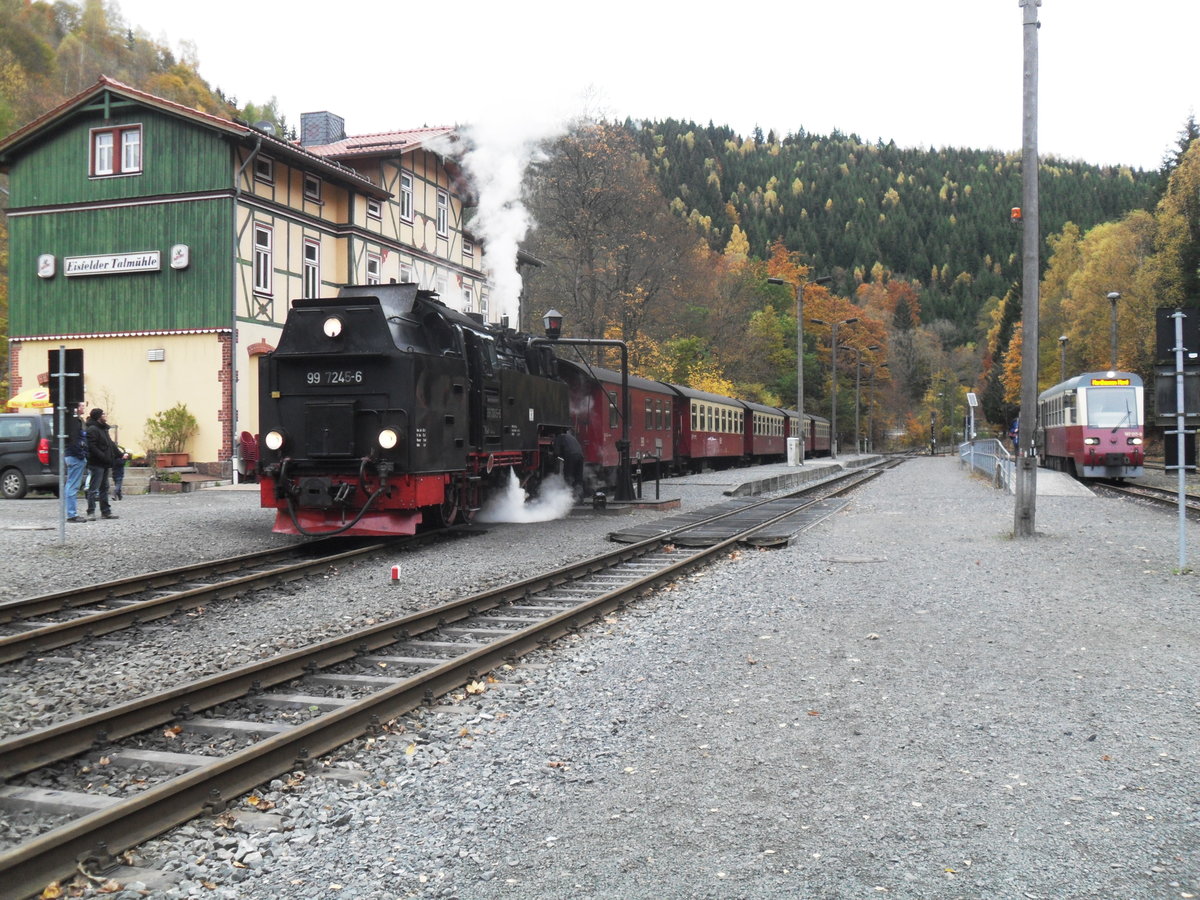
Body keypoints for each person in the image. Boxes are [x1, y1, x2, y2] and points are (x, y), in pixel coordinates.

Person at [84, 408, 119, 520]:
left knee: (104, 487)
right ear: (99, 416)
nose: (105, 416)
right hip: (96, 463)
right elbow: (92, 447)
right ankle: (91, 512)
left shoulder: (103, 429)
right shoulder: (93, 429)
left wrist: (120, 454)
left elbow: (110, 444)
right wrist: (103, 457)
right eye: (103, 414)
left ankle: (106, 511)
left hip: (104, 463)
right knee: (94, 488)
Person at [64, 401, 89, 523]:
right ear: (76, 408)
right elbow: (75, 441)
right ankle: (71, 514)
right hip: (75, 456)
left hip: (72, 455)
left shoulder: (72, 421)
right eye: (82, 406)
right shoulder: (75, 422)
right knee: (72, 485)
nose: (83, 408)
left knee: (71, 484)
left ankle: (71, 513)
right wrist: (81, 454)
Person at [554, 428, 584, 501]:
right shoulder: (571, 437)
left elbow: (556, 453)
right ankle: (579, 497)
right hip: (580, 456)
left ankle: (568, 497)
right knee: (578, 477)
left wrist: (554, 456)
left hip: (571, 456)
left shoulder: (559, 438)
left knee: (568, 476)